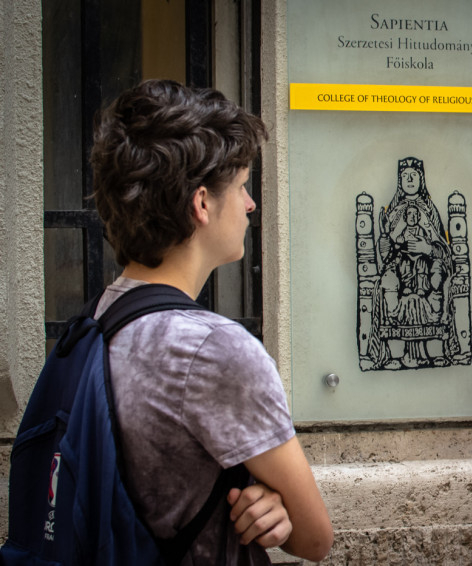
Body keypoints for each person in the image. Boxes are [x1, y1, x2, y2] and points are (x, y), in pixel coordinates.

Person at [90, 79, 333, 564]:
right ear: (201, 204)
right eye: (241, 187)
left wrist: (269, 502)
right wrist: (278, 509)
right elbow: (314, 539)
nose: (250, 204)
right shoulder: (211, 348)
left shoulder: (97, 320)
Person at [367, 157, 456, 369]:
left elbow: (444, 250)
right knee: (389, 281)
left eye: (413, 175)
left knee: (435, 278)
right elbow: (386, 253)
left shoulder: (430, 211)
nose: (409, 179)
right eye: (405, 175)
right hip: (402, 271)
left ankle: (435, 351)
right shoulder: (394, 212)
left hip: (426, 269)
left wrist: (427, 249)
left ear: (421, 179)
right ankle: (394, 353)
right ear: (399, 180)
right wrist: (386, 238)